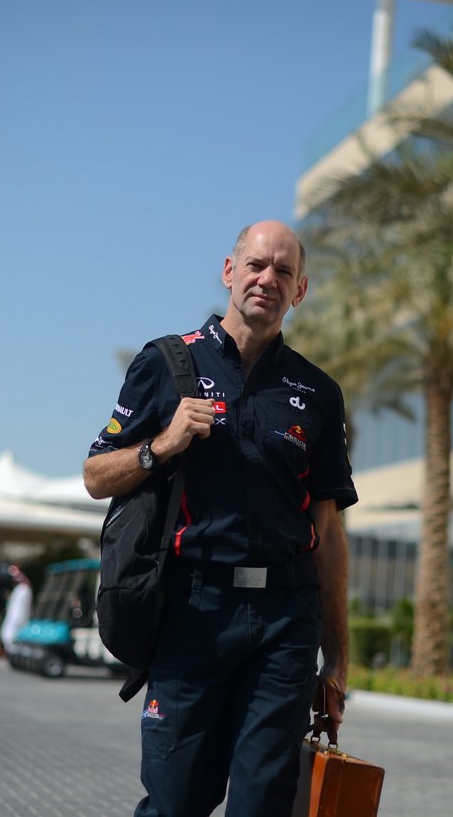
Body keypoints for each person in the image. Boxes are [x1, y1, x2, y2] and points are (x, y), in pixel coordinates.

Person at [84, 221, 356, 817]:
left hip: (286, 623)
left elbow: (329, 534)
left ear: (300, 290)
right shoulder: (167, 363)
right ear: (229, 272)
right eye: (257, 265)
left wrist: (336, 659)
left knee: (262, 805)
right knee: (178, 802)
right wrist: (165, 442)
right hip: (193, 612)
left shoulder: (317, 392)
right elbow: (96, 475)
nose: (268, 279)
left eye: (284, 271)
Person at [0, 565, 32, 655]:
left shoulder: (23, 589)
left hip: (17, 619)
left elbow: (20, 608)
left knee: (10, 634)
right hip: (14, 618)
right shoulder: (19, 589)